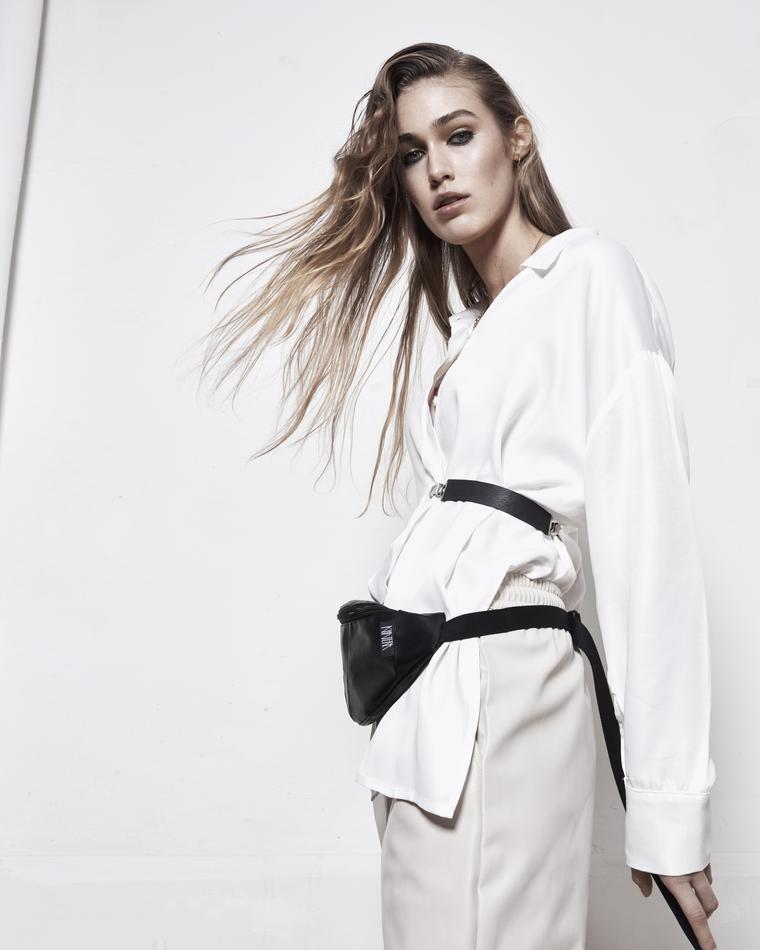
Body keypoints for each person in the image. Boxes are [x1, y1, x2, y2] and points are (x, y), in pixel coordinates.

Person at [198, 42, 719, 950]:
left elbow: (652, 541)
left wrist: (668, 806)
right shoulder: (466, 334)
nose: (436, 169)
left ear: (517, 138)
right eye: (412, 152)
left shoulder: (589, 277)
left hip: (505, 677)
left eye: (459, 135)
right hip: (422, 697)